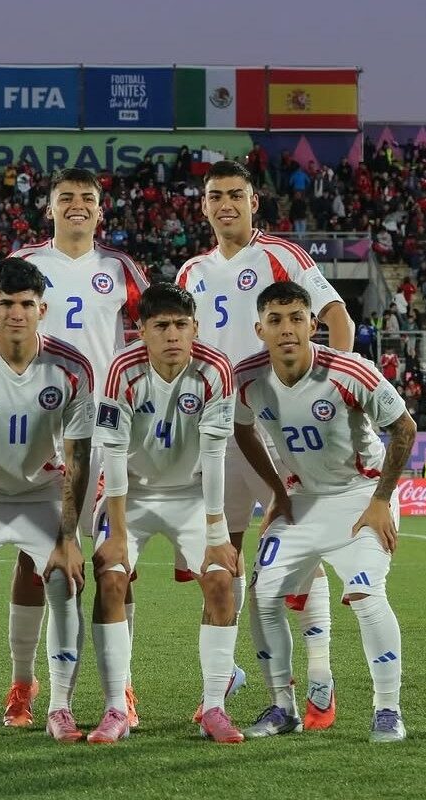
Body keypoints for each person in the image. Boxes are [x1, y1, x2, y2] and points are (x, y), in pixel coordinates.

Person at [0, 167, 149, 727]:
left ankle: (124, 687)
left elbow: (143, 337)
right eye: (65, 197)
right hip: (41, 422)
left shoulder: (121, 269)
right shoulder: (26, 264)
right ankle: (24, 682)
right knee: (33, 557)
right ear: (49, 207)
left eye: (87, 199)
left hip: (107, 425)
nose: (76, 205)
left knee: (118, 560)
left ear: (100, 210)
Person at [176, 159, 355, 730]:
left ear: (254, 202)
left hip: (273, 431)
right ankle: (226, 677)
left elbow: (336, 317)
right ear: (202, 206)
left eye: (235, 194)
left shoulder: (282, 257)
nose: (225, 204)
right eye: (214, 196)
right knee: (219, 560)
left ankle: (320, 675)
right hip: (215, 433)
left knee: (295, 557)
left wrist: (334, 386)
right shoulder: (191, 271)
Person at [233, 281, 415, 743]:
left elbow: (404, 429)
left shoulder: (351, 370)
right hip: (303, 499)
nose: (287, 329)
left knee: (367, 594)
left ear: (313, 324)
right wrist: (276, 489)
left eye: (297, 318)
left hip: (362, 494)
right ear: (260, 329)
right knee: (263, 597)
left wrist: (380, 501)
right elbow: (243, 431)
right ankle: (282, 707)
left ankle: (387, 710)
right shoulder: (247, 378)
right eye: (275, 320)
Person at [0, 258, 94, 744]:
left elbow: (78, 458)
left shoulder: (71, 367)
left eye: (27, 304)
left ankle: (61, 708)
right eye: (6, 304)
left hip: (43, 493)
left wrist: (68, 538)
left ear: (42, 309)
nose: (17, 313)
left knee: (65, 582)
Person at [91, 283, 243, 745]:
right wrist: (116, 531)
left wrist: (218, 533)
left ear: (195, 328)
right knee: (110, 578)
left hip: (193, 494)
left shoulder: (216, 369)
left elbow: (216, 454)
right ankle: (116, 706)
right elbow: (113, 455)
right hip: (130, 494)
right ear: (142, 332)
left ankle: (214, 706)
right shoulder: (121, 369)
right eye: (161, 326)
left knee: (221, 580)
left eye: (181, 325)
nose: (172, 334)